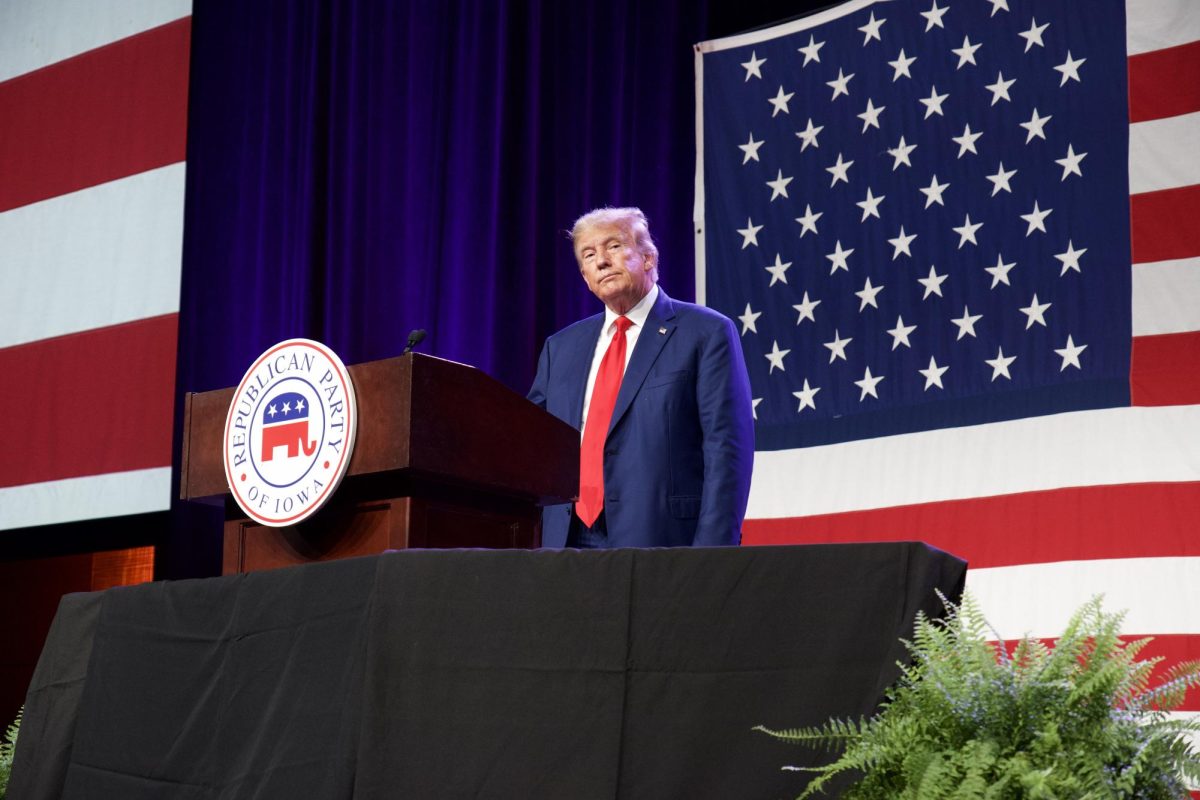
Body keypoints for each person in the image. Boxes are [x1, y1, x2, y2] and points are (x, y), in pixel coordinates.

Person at [528, 207, 754, 548]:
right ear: (585, 277)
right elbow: (530, 442)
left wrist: (712, 553)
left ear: (648, 258)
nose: (601, 260)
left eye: (613, 247)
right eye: (589, 255)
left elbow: (726, 448)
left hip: (662, 540)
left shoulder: (705, 332)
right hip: (567, 540)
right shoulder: (560, 348)